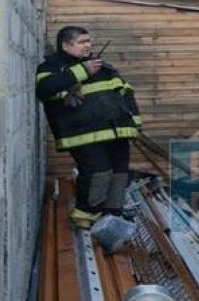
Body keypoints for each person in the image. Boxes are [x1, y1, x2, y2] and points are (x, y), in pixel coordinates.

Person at [36, 26, 142, 229]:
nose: (87, 46)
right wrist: (83, 71)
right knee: (98, 174)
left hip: (117, 132)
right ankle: (85, 216)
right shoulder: (51, 68)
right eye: (81, 42)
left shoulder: (105, 68)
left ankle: (113, 216)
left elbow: (126, 93)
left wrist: (135, 124)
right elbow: (44, 89)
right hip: (82, 134)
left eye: (88, 41)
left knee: (119, 174)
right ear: (66, 45)